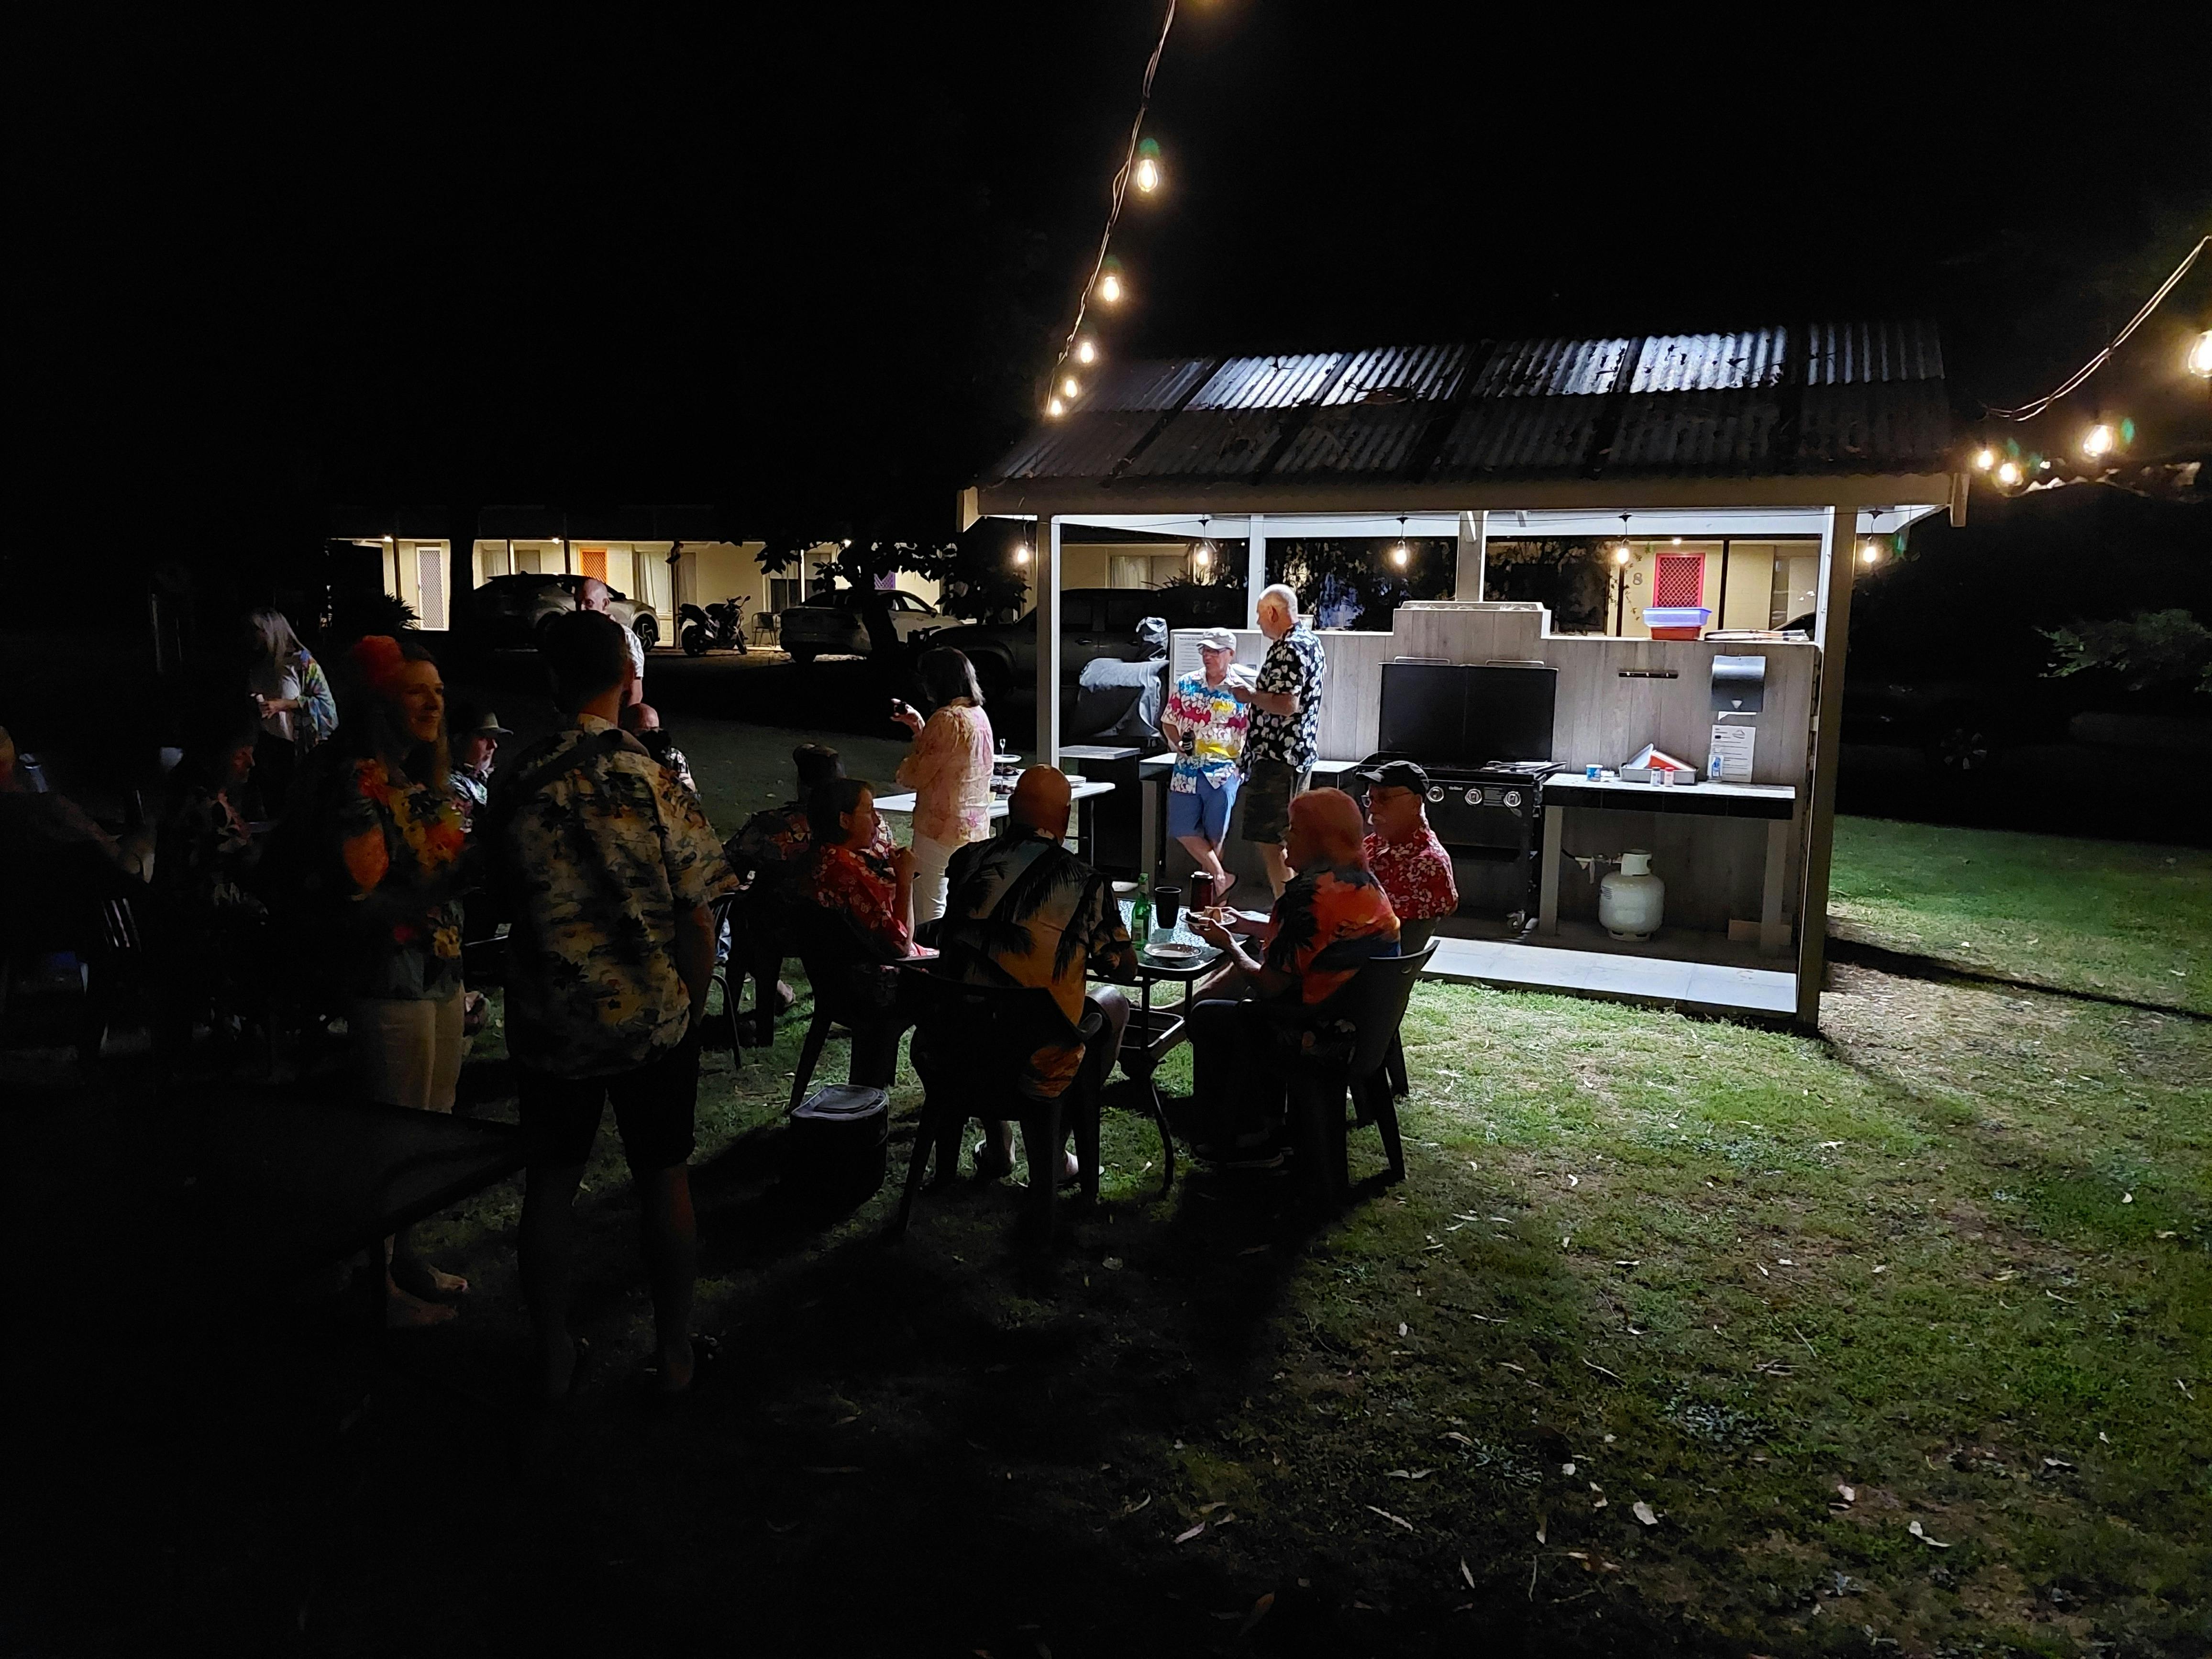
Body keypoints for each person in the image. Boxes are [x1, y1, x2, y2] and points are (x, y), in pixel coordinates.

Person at [487, 609, 735, 1401]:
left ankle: (553, 1349)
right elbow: (700, 909)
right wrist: (689, 1008)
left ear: (553, 681)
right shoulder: (655, 777)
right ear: (627, 680)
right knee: (665, 1181)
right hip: (648, 1023)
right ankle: (673, 1352)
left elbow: (494, 898)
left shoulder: (514, 780)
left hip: (550, 1023)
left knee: (550, 1188)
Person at [322, 635, 475, 1322]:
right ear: (382, 702)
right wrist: (454, 880)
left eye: (440, 691)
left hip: (439, 973)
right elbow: (363, 898)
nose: (433, 703)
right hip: (390, 977)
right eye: (417, 690)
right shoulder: (358, 780)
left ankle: (405, 1257)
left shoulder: (420, 781)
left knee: (432, 1127)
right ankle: (375, 1287)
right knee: (394, 1135)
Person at [922, 765, 1139, 1182]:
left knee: (987, 993)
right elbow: (1122, 968)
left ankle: (999, 1145)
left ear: (1011, 809)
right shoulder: (1085, 881)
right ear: (1063, 818)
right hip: (1033, 1063)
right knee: (1112, 1004)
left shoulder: (967, 861)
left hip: (953, 1047)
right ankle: (1054, 1156)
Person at [1186, 789, 1399, 1165]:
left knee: (1210, 1017)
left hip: (1321, 1038)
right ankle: (1264, 1120)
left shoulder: (1306, 896)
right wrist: (1250, 924)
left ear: (1320, 840)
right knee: (1243, 1011)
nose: (1286, 838)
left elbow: (1270, 983)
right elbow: (1316, 941)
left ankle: (1240, 1134)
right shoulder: (1364, 884)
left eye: (1295, 830)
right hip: (1364, 1031)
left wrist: (1229, 945)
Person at [800, 776, 918, 1088]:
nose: (878, 820)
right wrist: (905, 881)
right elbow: (900, 946)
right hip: (864, 987)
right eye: (869, 811)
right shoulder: (848, 873)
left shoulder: (823, 856)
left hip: (833, 977)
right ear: (844, 820)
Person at [1231, 584, 1326, 897]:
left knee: (1272, 840)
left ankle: (1287, 909)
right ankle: (1292, 905)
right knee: (1287, 838)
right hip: (1297, 756)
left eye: (1260, 615)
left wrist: (1248, 696)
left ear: (1274, 612)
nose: (1259, 624)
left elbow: (1286, 704)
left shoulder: (1288, 648)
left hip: (1278, 758)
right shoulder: (1311, 642)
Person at [890, 647, 994, 925]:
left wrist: (905, 765)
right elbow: (949, 758)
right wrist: (919, 727)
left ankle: (926, 964)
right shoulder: (978, 716)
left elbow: (917, 774)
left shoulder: (947, 718)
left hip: (938, 829)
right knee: (961, 904)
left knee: (929, 905)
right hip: (973, 828)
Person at [1160, 626, 1249, 902]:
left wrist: (1240, 765)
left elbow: (1253, 730)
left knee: (1215, 835)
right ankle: (1222, 878)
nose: (1207, 656)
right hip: (1187, 769)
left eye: (1214, 651)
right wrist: (1178, 744)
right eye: (1204, 651)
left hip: (1224, 771)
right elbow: (1168, 721)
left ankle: (1210, 899)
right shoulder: (1186, 683)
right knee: (1181, 828)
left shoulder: (1243, 690)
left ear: (1230, 654)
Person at [1356, 759, 1458, 952]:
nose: (1372, 808)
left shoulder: (1427, 863)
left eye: (1384, 798)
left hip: (1370, 967)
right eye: (1370, 799)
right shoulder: (1377, 841)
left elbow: (1374, 930)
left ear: (1415, 804)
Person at [244, 608, 338, 811]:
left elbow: (326, 706)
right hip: (268, 746)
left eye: (256, 630)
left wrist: (283, 705)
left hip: (301, 749)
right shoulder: (257, 666)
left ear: (271, 630)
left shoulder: (301, 662)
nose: (250, 635)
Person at [578, 577, 646, 707]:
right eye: (578, 602)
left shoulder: (625, 638)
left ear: (605, 604)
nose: (581, 608)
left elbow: (635, 692)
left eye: (589, 603)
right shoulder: (573, 635)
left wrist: (621, 723)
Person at [445, 700, 510, 835]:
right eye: (484, 737)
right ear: (458, 739)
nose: (494, 746)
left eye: (495, 738)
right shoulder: (445, 782)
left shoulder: (499, 778)